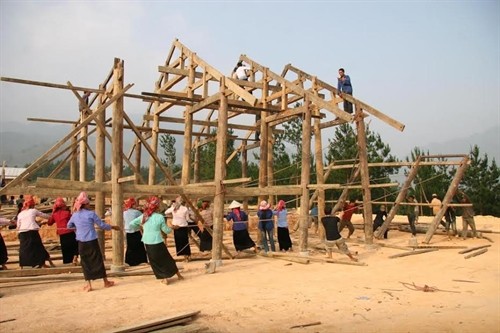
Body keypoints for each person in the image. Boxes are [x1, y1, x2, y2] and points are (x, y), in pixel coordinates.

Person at [67, 192, 119, 292]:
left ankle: (88, 284)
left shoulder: (75, 215)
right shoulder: (91, 214)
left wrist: (78, 228)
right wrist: (113, 227)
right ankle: (105, 282)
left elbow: (69, 225)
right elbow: (102, 225)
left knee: (85, 262)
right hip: (92, 240)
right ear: (85, 204)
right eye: (88, 203)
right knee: (97, 260)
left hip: (81, 242)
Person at [129, 196, 183, 285]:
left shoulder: (144, 217)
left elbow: (132, 224)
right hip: (158, 241)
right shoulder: (160, 217)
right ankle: (179, 275)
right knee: (167, 259)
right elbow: (166, 230)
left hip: (147, 241)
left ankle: (164, 278)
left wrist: (140, 227)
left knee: (155, 261)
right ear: (157, 207)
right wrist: (173, 228)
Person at [16, 195, 55, 268]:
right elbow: (44, 215)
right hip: (31, 232)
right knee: (38, 247)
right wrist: (53, 217)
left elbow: (18, 225)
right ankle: (42, 262)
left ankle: (23, 265)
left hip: (22, 233)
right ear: (32, 205)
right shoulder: (33, 210)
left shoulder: (20, 214)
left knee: (24, 249)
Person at [47, 197, 79, 265]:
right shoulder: (67, 213)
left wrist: (53, 212)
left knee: (65, 248)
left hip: (61, 233)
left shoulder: (54, 215)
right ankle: (75, 258)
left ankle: (67, 261)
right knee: (75, 245)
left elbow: (49, 223)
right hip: (69, 231)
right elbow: (73, 221)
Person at [164, 196, 191, 261]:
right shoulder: (184, 208)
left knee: (179, 241)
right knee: (185, 241)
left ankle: (184, 255)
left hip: (177, 227)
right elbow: (187, 219)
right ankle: (187, 255)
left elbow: (166, 212)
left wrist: (173, 207)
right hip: (182, 226)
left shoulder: (175, 208)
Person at [123, 197, 148, 266]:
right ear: (132, 205)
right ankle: (141, 260)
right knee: (139, 246)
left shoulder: (124, 213)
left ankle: (129, 261)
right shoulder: (137, 212)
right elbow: (144, 218)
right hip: (136, 231)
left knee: (130, 247)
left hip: (128, 232)